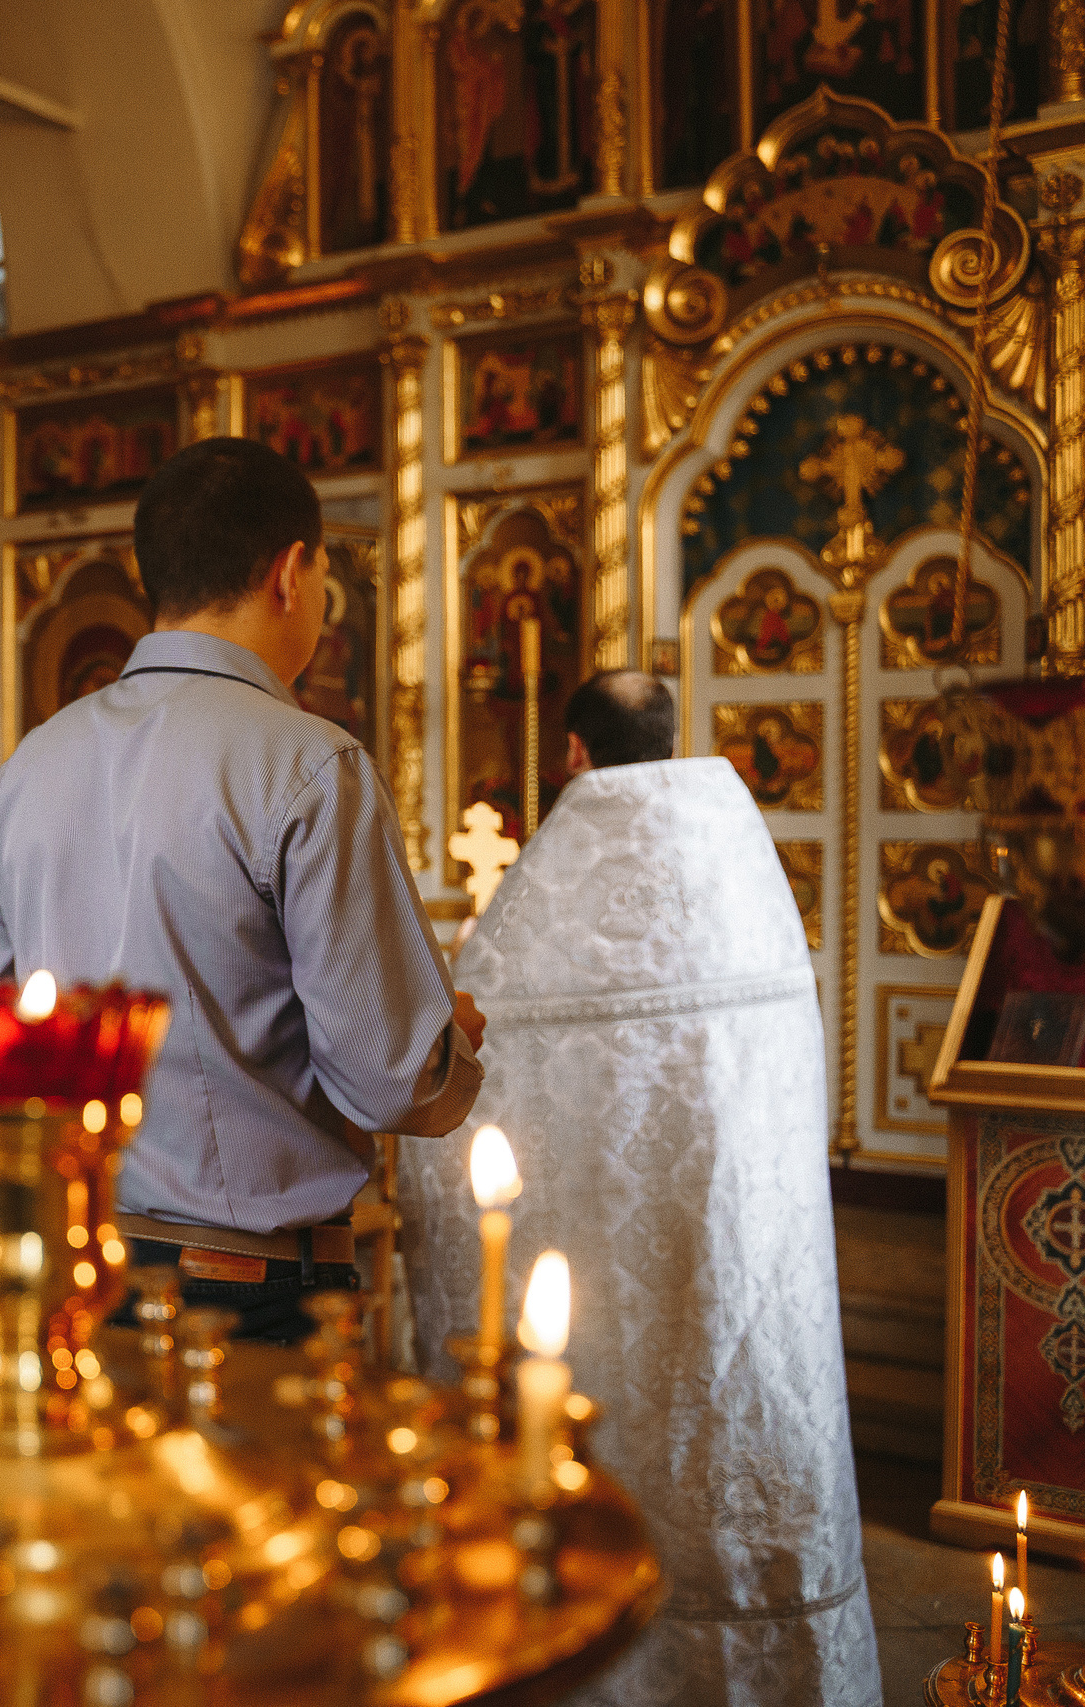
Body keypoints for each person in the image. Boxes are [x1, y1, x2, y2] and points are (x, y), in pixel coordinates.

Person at [396, 670, 875, 1705]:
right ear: (668, 737)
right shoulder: (739, 870)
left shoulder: (548, 897)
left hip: (594, 1284)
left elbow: (462, 1071)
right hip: (734, 1259)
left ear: (572, 754)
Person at [0, 436, 485, 1345]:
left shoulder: (23, 770)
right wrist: (445, 1042)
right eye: (325, 573)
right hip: (249, 1298)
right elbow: (388, 1075)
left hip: (70, 1269)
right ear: (292, 572)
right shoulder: (308, 764)